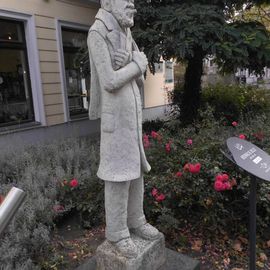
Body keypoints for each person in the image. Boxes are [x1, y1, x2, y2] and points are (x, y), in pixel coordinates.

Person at [87, 0, 160, 259]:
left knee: (136, 171)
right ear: (108, 2)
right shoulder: (98, 32)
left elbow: (140, 74)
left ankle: (136, 221)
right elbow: (109, 81)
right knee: (117, 176)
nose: (132, 4)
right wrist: (135, 65)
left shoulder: (126, 30)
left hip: (132, 120)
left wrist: (132, 63)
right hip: (115, 122)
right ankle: (117, 232)